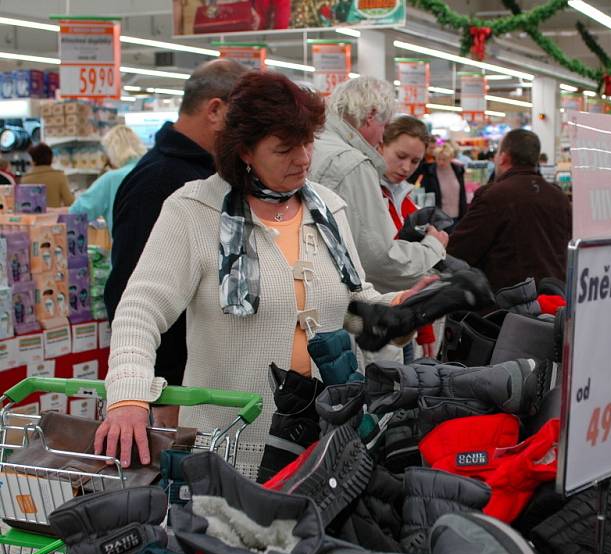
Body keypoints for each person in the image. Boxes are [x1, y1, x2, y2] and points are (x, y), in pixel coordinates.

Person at [93, 71, 432, 478]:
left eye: (307, 142)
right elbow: (140, 309)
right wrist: (128, 396)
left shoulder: (328, 208)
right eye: (285, 148)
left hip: (327, 443)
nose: (304, 158)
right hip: (230, 447)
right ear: (245, 152)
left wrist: (399, 308)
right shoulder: (194, 211)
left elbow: (353, 307)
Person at [104, 59, 248, 428]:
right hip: (176, 390)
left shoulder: (213, 175)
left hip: (207, 380)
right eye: (247, 116)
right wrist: (162, 388)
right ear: (216, 110)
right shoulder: (160, 181)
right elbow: (132, 293)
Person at [310, 76, 447, 294]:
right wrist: (432, 248)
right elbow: (379, 258)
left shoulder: (312, 140)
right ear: (371, 115)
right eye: (383, 126)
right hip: (327, 297)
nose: (381, 136)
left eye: (414, 161)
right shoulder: (351, 163)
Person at [447, 129, 571, 290]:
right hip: (554, 299)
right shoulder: (560, 198)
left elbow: (460, 251)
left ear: (504, 157)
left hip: (508, 303)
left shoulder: (493, 196)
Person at [378, 115, 440, 358]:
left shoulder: (408, 205)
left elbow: (416, 273)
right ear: (381, 146)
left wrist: (424, 331)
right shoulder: (367, 197)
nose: (406, 168)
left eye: (415, 161)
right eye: (400, 156)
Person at [68, 125, 146, 235]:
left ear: (113, 151)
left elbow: (77, 212)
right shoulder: (151, 170)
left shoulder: (112, 178)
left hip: (124, 248)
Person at [421, 140, 468, 220]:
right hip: (437, 217)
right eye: (438, 159)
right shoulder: (429, 172)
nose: (441, 162)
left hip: (457, 216)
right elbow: (426, 195)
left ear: (450, 158)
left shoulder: (458, 171)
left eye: (444, 159)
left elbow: (462, 194)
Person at [21, 143, 73, 208]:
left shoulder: (25, 179)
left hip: (33, 217)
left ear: (33, 160)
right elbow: (69, 202)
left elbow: (23, 205)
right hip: (54, 217)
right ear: (51, 158)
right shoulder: (59, 176)